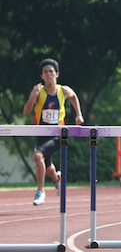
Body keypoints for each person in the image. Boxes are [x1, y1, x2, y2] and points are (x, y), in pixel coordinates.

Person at [23, 58, 84, 205]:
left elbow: (74, 96)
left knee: (38, 156)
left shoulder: (63, 90)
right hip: (42, 134)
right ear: (42, 76)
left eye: (51, 71)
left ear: (57, 74)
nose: (49, 74)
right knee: (48, 167)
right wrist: (33, 96)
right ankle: (57, 179)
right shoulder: (38, 92)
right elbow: (26, 111)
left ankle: (40, 191)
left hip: (59, 134)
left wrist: (79, 114)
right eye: (45, 72)